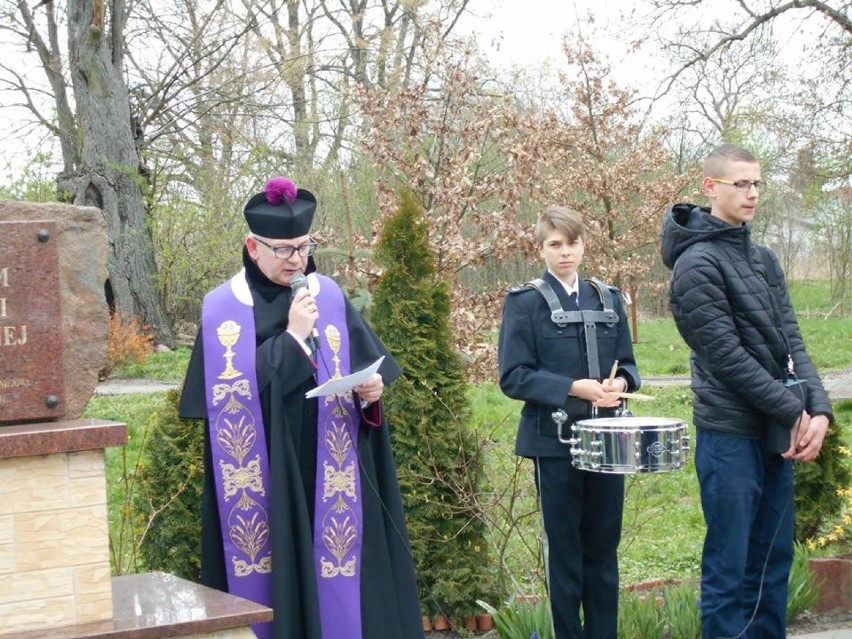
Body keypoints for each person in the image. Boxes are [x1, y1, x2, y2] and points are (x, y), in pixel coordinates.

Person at [179, 176, 424, 639]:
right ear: (253, 247)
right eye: (284, 250)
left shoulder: (327, 295)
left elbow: (364, 372)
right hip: (271, 475)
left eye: (304, 247)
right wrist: (291, 337)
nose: (297, 260)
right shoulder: (221, 310)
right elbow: (228, 397)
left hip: (332, 469)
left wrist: (371, 393)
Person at [660, 144, 834, 638]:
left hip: (775, 432)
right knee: (729, 568)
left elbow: (792, 340)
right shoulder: (696, 265)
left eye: (757, 183)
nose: (752, 193)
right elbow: (727, 358)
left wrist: (818, 409)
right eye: (741, 184)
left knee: (771, 564)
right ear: (710, 187)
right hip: (729, 436)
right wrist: (794, 411)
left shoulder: (764, 259)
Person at [498, 206, 640, 639]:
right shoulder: (524, 303)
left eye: (572, 243)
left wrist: (620, 382)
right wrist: (572, 388)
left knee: (603, 550)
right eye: (555, 245)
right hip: (555, 442)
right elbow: (513, 376)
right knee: (564, 552)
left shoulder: (608, 298)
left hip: (608, 440)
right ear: (540, 248)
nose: (565, 253)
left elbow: (632, 367)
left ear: (583, 245)